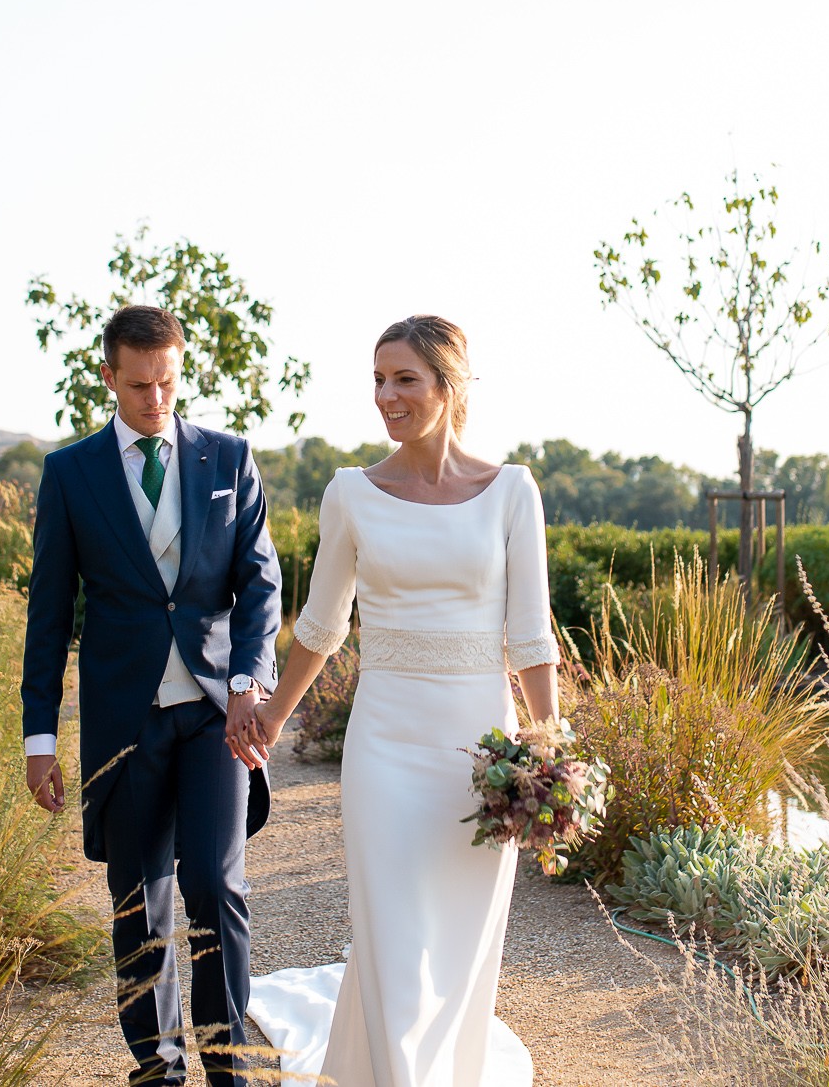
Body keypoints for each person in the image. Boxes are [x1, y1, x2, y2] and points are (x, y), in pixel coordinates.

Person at [242, 314, 558, 1087]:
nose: (386, 394)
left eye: (404, 378)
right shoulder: (352, 493)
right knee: (389, 937)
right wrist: (273, 716)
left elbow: (529, 634)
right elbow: (322, 626)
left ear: (449, 385)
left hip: (481, 755)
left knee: (457, 940)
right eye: (378, 379)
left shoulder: (511, 492)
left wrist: (552, 749)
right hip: (384, 746)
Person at [22, 304, 282, 1087]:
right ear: (109, 376)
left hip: (215, 714)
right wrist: (40, 738)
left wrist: (248, 682)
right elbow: (49, 615)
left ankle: (230, 1071)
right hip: (123, 718)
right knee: (139, 900)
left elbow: (260, 584)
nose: (156, 399)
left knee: (215, 883)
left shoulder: (229, 458)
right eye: (139, 385)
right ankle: (158, 1072)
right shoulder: (70, 474)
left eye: (167, 382)